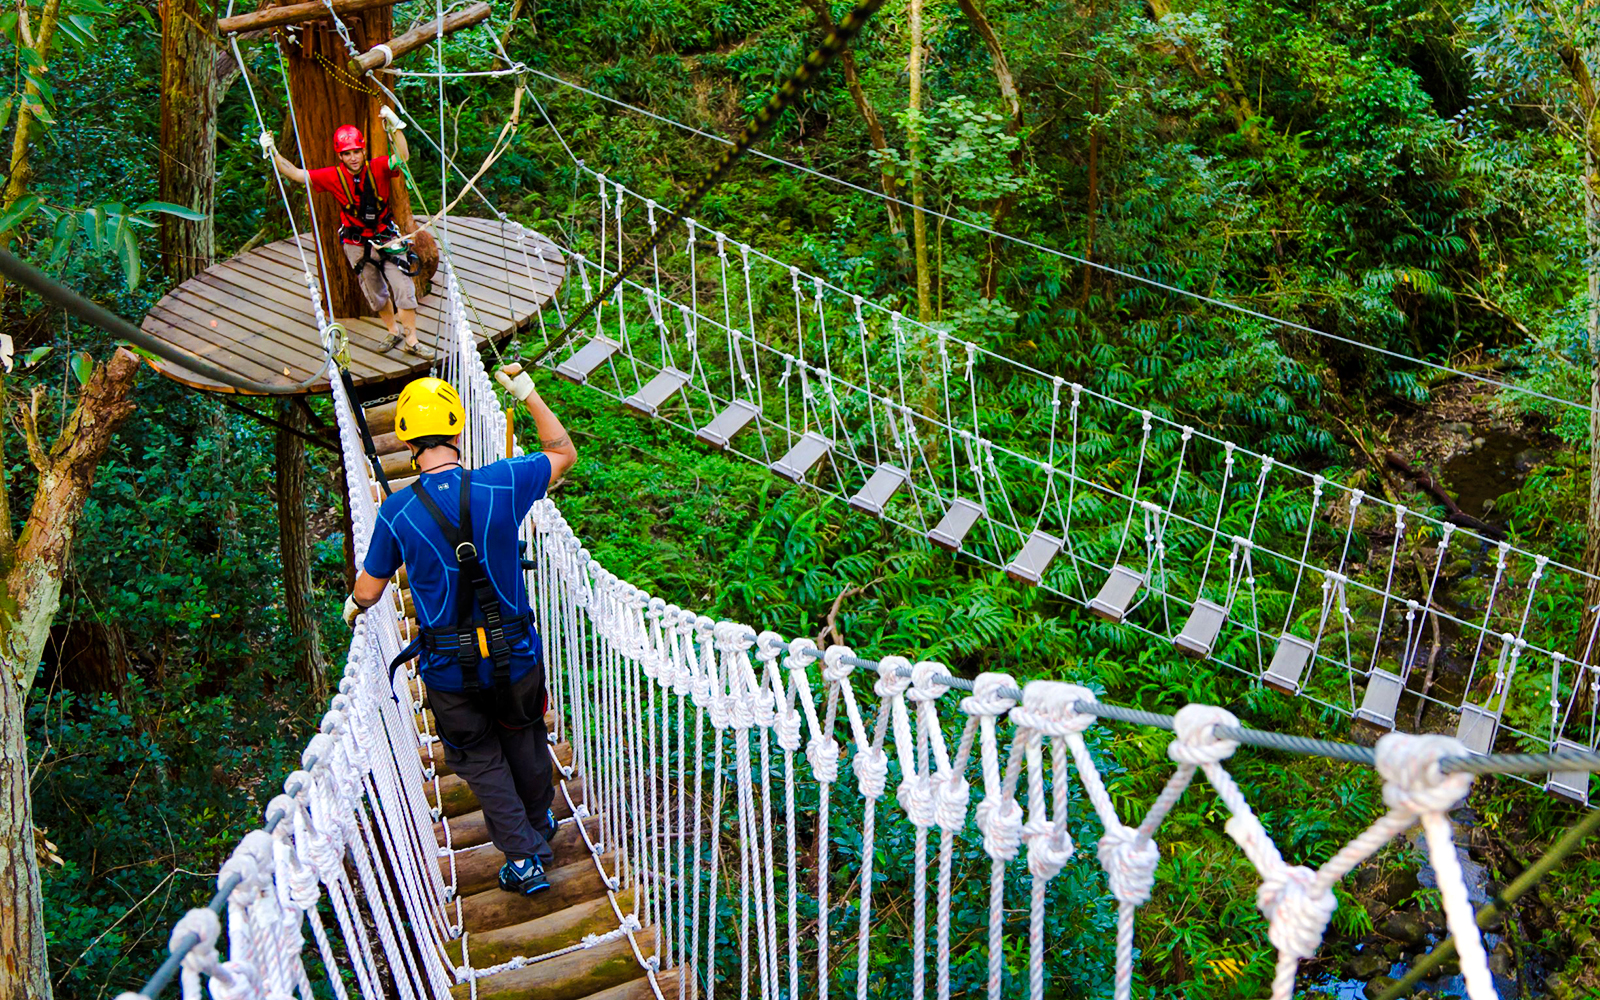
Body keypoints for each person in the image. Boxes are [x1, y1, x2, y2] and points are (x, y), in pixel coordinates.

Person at [343, 364, 577, 894]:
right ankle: (538, 827)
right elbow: (562, 452)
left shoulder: (397, 514)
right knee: (525, 737)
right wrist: (529, 394)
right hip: (515, 656)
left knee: (479, 757)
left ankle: (524, 858)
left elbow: (369, 591)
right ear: (458, 429)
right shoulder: (503, 481)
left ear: (405, 438)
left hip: (449, 671)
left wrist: (353, 609)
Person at [261, 108, 434, 360]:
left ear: (364, 151)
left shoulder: (377, 167)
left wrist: (396, 126)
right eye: (347, 153)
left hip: (386, 237)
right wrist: (273, 153)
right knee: (375, 292)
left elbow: (402, 157)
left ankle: (412, 339)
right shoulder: (332, 176)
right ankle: (393, 330)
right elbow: (297, 174)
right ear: (340, 156)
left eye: (356, 152)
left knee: (403, 288)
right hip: (356, 242)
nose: (353, 158)